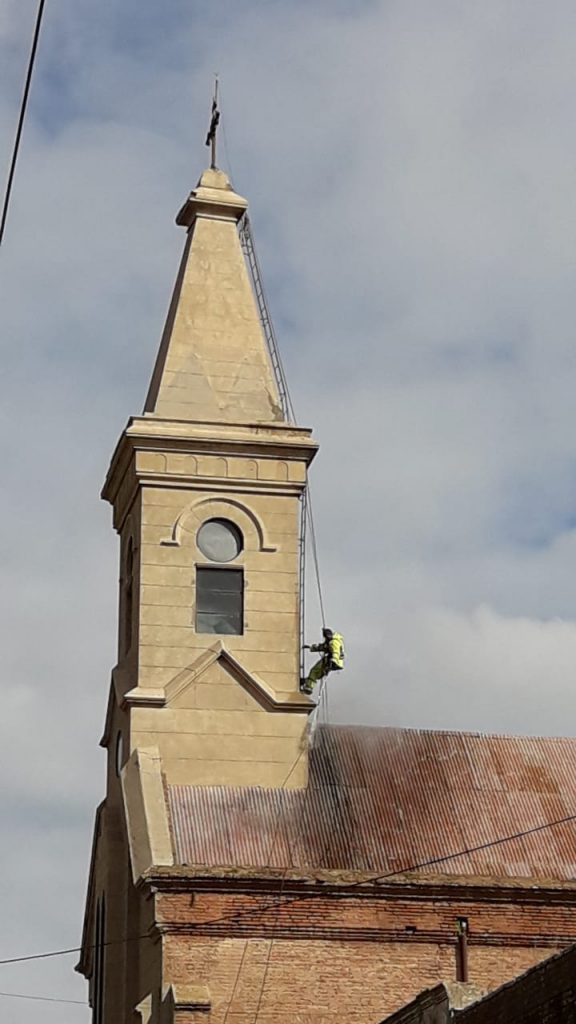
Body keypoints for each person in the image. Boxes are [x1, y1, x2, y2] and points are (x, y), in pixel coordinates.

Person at [300, 628, 345, 695]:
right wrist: (310, 647)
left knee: (314, 670)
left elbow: (336, 652)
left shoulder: (333, 642)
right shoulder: (334, 641)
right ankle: (307, 682)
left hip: (331, 661)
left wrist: (333, 661)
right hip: (335, 663)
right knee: (318, 674)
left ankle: (308, 687)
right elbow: (322, 647)